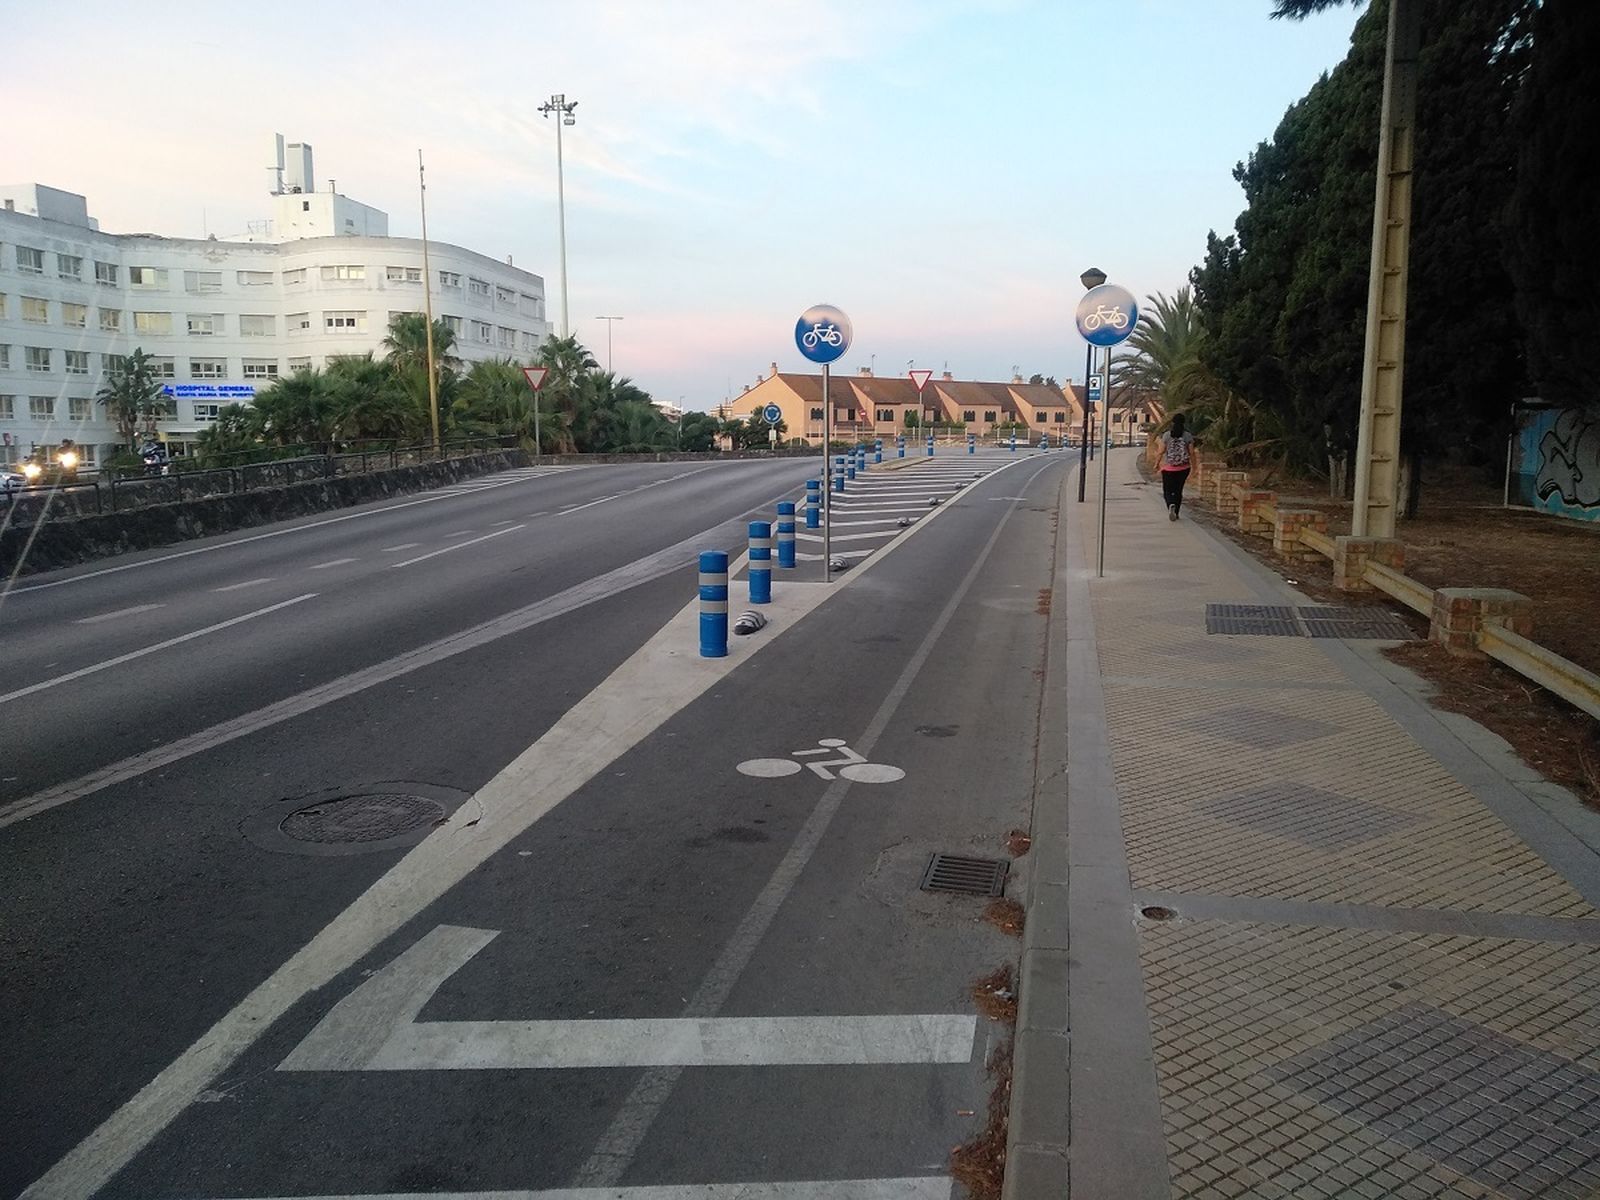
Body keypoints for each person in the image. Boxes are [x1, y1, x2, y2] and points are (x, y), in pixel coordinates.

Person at [1157, 413, 1195, 520]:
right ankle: (1176, 513)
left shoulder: (1166, 435)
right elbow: (1191, 453)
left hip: (1168, 468)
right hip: (1184, 468)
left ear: (1172, 422)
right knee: (1178, 490)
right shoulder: (1188, 435)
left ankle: (1170, 504)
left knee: (1167, 490)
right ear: (1184, 422)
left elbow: (1161, 451)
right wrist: (1194, 467)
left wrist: (1157, 464)